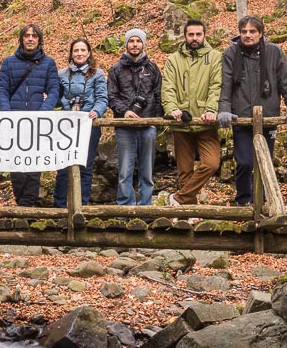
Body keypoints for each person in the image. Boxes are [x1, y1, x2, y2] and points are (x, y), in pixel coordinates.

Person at [218, 15, 287, 206]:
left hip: (268, 115)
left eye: (252, 31)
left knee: (265, 159)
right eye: (244, 32)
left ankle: (265, 200)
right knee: (244, 162)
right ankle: (243, 199)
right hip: (241, 116)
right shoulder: (230, 54)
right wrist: (224, 109)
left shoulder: (274, 52)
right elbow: (225, 85)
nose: (248, 35)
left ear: (260, 33)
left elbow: (285, 82)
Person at [0, 24, 60, 206]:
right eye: (27, 36)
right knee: (16, 165)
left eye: (34, 36)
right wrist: (7, 114)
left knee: (33, 166)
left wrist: (43, 112)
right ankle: (21, 204)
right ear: (21, 39)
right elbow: (1, 90)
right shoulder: (8, 63)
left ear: (39, 39)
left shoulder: (48, 63)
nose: (30, 39)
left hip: (37, 123)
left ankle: (29, 206)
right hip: (14, 122)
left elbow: (54, 90)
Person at [162, 19, 222, 207]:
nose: (194, 38)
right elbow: (168, 88)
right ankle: (189, 212)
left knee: (211, 163)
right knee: (185, 170)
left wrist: (211, 110)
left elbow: (216, 86)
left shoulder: (215, 57)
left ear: (204, 35)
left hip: (205, 123)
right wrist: (172, 109)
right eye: (191, 34)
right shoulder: (173, 60)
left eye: (198, 34)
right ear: (185, 36)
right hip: (181, 123)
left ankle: (179, 199)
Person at [108, 28, 163, 206]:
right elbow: (112, 96)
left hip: (148, 126)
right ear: (126, 44)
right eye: (131, 41)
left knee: (147, 171)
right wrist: (124, 112)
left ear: (143, 44)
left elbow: (159, 95)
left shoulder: (152, 68)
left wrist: (155, 121)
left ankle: (145, 207)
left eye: (138, 41)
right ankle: (125, 208)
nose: (134, 44)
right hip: (124, 127)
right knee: (125, 171)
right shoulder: (116, 69)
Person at [53, 38, 108, 208]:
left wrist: (97, 111)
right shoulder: (62, 74)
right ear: (71, 53)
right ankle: (59, 205)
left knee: (85, 166)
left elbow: (102, 97)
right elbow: (57, 98)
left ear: (89, 53)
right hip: (66, 126)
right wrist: (48, 98)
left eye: (83, 50)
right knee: (63, 166)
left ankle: (81, 206)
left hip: (88, 125)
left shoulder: (97, 74)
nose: (79, 54)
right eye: (76, 51)